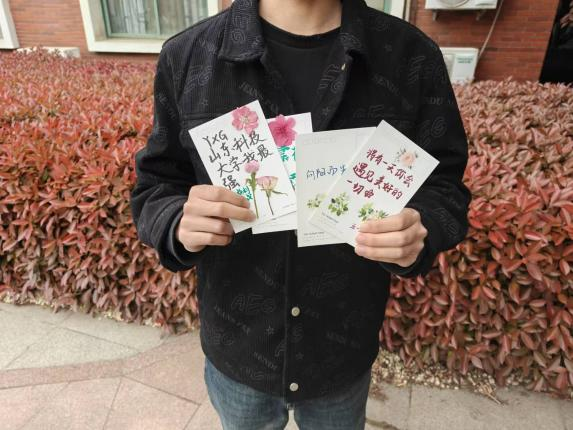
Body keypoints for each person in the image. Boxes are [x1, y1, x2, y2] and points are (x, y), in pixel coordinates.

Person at [130, 0, 472, 428]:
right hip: (239, 345)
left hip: (341, 346)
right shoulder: (189, 56)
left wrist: (422, 226)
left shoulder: (410, 57)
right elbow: (156, 184)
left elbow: (445, 184)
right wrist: (177, 220)